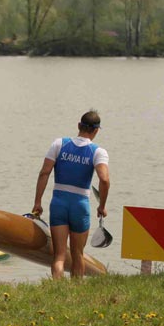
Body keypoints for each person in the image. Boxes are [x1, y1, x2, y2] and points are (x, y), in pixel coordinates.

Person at [32, 110, 110, 279]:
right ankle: (76, 291)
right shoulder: (98, 152)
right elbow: (104, 180)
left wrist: (37, 202)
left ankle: (57, 291)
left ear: (78, 126)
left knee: (59, 255)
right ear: (96, 131)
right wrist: (102, 206)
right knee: (77, 254)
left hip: (58, 203)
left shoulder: (59, 144)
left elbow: (44, 173)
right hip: (80, 206)